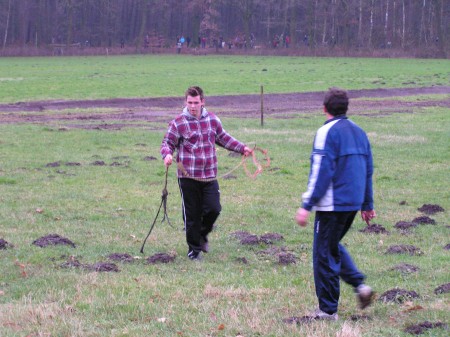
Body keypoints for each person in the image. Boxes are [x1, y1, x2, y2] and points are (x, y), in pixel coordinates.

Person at [295, 87, 376, 320]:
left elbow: (321, 171)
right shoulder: (360, 132)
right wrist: (367, 204)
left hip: (332, 204)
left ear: (324, 108)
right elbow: (368, 170)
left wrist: (306, 204)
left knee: (323, 255)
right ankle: (361, 287)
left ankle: (327, 310)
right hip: (353, 202)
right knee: (331, 246)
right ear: (346, 108)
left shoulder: (326, 132)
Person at [161, 86, 252, 260]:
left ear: (202, 102)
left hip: (209, 175)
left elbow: (224, 138)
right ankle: (194, 250)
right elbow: (167, 142)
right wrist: (167, 155)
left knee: (214, 208)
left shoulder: (212, 120)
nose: (193, 106)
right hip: (187, 176)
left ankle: (201, 235)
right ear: (185, 102)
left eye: (196, 102)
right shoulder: (178, 122)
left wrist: (242, 148)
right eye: (189, 102)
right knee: (192, 214)